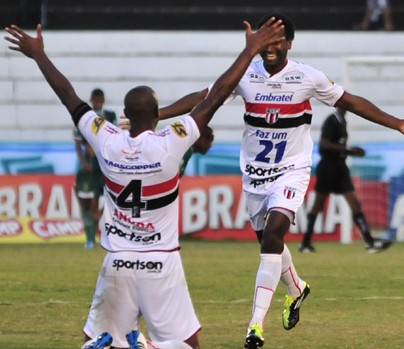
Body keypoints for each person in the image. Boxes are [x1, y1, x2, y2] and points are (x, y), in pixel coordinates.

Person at [4, 18, 286, 349]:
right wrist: (250, 49)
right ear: (157, 114)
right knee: (188, 345)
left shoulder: (105, 139)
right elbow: (216, 96)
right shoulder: (172, 142)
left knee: (92, 339)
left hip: (118, 261)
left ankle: (117, 344)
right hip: (161, 261)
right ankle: (145, 346)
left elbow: (69, 96)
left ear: (124, 113)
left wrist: (39, 56)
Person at [160, 13, 404, 349]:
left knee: (274, 233)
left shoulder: (307, 77)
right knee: (268, 243)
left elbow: (352, 102)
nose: (271, 47)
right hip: (255, 174)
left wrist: (397, 123)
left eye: (278, 41)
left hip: (292, 170)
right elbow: (205, 99)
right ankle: (297, 288)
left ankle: (255, 326)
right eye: (266, 40)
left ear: (289, 43)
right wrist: (158, 114)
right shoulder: (244, 75)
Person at [299, 107, 392, 253]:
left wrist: (349, 152)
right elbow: (324, 145)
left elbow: (339, 146)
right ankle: (305, 243)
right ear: (337, 105)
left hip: (340, 167)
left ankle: (369, 242)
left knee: (354, 203)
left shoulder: (342, 121)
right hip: (328, 167)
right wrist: (348, 149)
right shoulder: (332, 120)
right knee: (318, 205)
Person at [74, 88, 117, 249]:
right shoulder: (85, 117)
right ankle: (90, 239)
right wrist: (83, 160)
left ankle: (110, 237)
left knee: (111, 201)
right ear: (92, 100)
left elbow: (115, 137)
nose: (98, 103)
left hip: (106, 165)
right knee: (88, 203)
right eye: (95, 100)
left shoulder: (110, 116)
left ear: (103, 101)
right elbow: (78, 141)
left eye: (100, 100)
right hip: (90, 167)